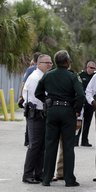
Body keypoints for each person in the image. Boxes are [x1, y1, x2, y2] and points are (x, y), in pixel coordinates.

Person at [35, 50, 85, 187]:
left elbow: (37, 92)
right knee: (68, 146)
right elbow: (81, 95)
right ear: (68, 62)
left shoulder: (48, 75)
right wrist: (76, 110)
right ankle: (69, 179)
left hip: (52, 111)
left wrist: (47, 101)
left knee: (50, 145)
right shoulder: (72, 76)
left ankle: (46, 178)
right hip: (68, 111)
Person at [22, 54, 53, 184]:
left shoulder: (42, 76)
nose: (50, 65)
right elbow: (37, 97)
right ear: (39, 63)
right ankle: (28, 174)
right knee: (35, 145)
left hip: (41, 113)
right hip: (36, 114)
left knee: (41, 146)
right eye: (48, 63)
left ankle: (38, 173)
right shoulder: (35, 77)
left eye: (51, 63)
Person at [18, 52, 42, 146]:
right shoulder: (41, 70)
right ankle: (29, 141)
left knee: (29, 120)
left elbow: (24, 84)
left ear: (34, 60)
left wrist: (21, 97)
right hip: (38, 100)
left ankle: (27, 140)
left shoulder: (30, 69)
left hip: (30, 98)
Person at [75, 60, 96, 147]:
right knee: (78, 122)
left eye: (94, 68)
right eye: (91, 67)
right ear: (87, 67)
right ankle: (75, 140)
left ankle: (84, 140)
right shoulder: (80, 75)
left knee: (87, 122)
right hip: (81, 102)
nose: (92, 69)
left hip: (90, 103)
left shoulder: (95, 77)